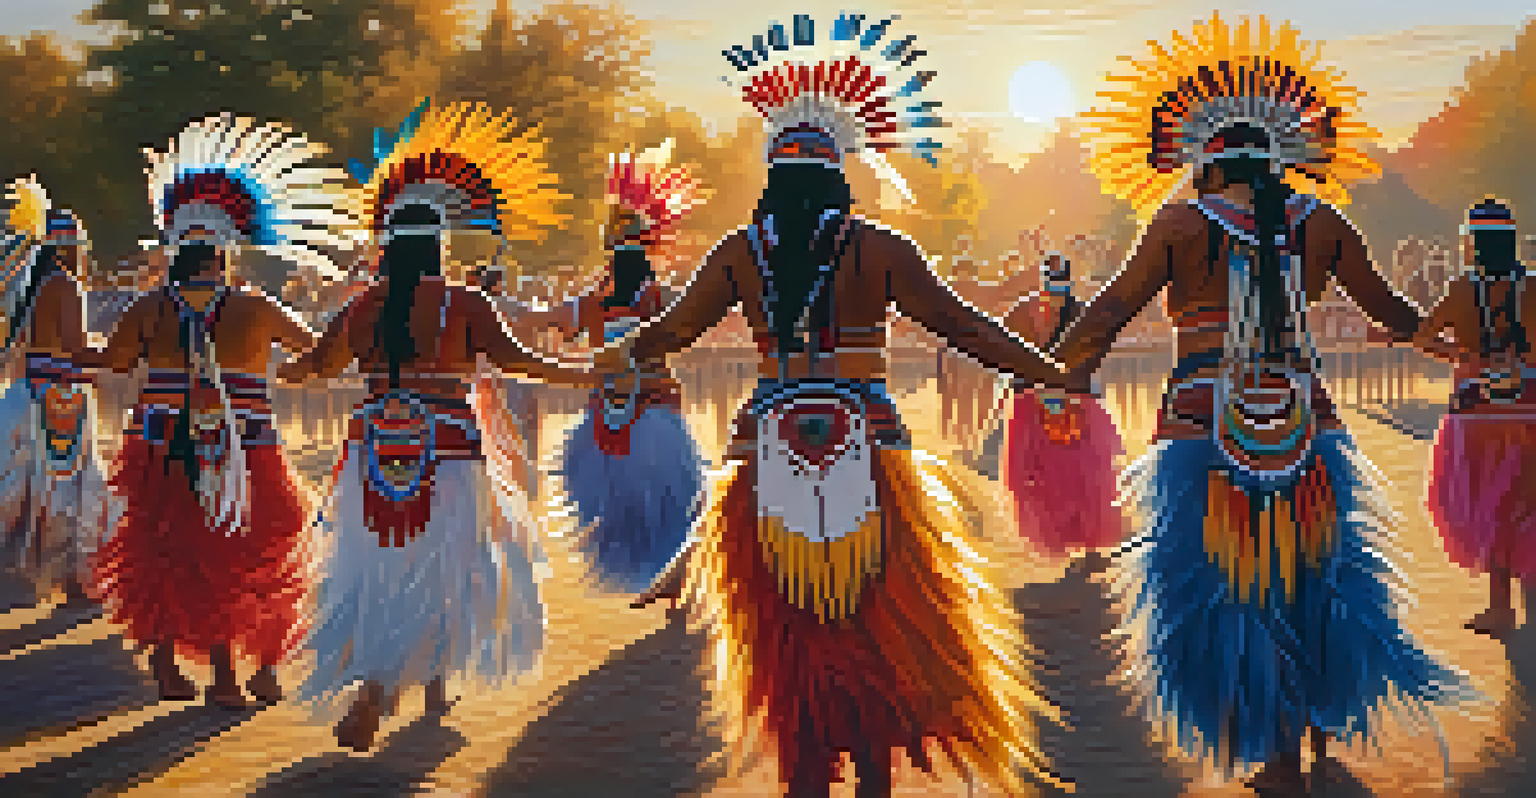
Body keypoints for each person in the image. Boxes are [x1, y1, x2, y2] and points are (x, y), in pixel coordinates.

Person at [602, 14, 1071, 798]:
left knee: (784, 627)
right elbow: (961, 325)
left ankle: (806, 763)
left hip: (766, 443)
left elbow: (673, 333)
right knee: (884, 616)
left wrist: (615, 357)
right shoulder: (879, 248)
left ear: (772, 178)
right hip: (871, 440)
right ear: (839, 176)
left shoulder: (740, 253)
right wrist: (1045, 370)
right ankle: (875, 770)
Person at [1054, 13, 1479, 790]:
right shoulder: (1323, 223)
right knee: (1318, 571)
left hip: (1202, 422)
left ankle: (1274, 747)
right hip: (1306, 422)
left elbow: (1109, 312)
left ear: (1205, 164)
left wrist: (1050, 368)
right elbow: (1396, 316)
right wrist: (1447, 343)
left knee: (1227, 584)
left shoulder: (1179, 224)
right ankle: (1316, 721)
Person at [285, 98, 600, 751]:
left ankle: (403, 683)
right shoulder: (465, 303)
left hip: (374, 449)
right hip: (451, 447)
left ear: (387, 247)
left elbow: (320, 365)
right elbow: (523, 363)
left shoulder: (364, 306)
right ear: (439, 245)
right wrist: (587, 375)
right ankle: (392, 687)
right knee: (447, 570)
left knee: (379, 570)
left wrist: (293, 369)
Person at [90, 113, 359, 708]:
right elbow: (320, 352)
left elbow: (112, 364)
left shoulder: (148, 308)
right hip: (246, 447)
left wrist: (58, 355)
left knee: (164, 549)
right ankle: (244, 673)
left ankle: (174, 668)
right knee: (255, 551)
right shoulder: (256, 308)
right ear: (225, 253)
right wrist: (357, 318)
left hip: (160, 445)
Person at [509, 139, 710, 597]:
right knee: (643, 502)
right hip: (617, 414)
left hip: (643, 410)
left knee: (657, 501)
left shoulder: (647, 299)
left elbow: (544, 320)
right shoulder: (606, 302)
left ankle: (671, 572)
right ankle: (664, 572)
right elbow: (544, 320)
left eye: (626, 252)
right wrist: (494, 320)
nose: (623, 260)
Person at [1414, 198, 1535, 638]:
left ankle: (1500, 609)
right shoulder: (1532, 286)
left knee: (1488, 507)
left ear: (1473, 242)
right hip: (1528, 407)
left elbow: (1423, 338)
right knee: (1527, 502)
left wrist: (1462, 356)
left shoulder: (1462, 289)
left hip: (1474, 411)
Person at [0, 183, 116, 606]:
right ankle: (74, 582)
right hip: (59, 400)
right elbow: (76, 349)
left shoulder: (26, 287)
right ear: (68, 249)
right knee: (71, 493)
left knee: (30, 489)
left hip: (27, 394)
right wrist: (122, 354)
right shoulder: (64, 285)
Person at [997, 253, 1125, 565]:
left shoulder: (1056, 312)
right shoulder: (1042, 311)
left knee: (1077, 473)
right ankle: (1063, 541)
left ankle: (1074, 541)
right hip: (1050, 398)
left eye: (1059, 286)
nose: (1056, 295)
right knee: (1058, 473)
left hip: (1063, 398)